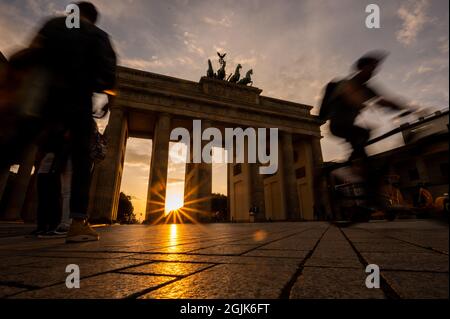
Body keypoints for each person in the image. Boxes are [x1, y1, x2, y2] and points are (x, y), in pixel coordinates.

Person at [30, 2, 116, 243]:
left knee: (42, 162)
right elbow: (108, 73)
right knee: (79, 163)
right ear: (93, 17)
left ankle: (45, 222)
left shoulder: (53, 25)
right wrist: (107, 99)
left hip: (47, 103)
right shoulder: (97, 35)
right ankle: (78, 223)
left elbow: (31, 54)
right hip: (78, 102)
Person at [320, 51, 411, 162]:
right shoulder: (345, 83)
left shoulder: (368, 89)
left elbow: (383, 101)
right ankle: (352, 167)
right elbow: (350, 96)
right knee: (363, 134)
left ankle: (357, 165)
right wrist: (362, 103)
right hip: (337, 125)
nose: (372, 72)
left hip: (349, 125)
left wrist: (404, 107)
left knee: (361, 146)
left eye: (374, 69)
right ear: (362, 68)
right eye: (371, 68)